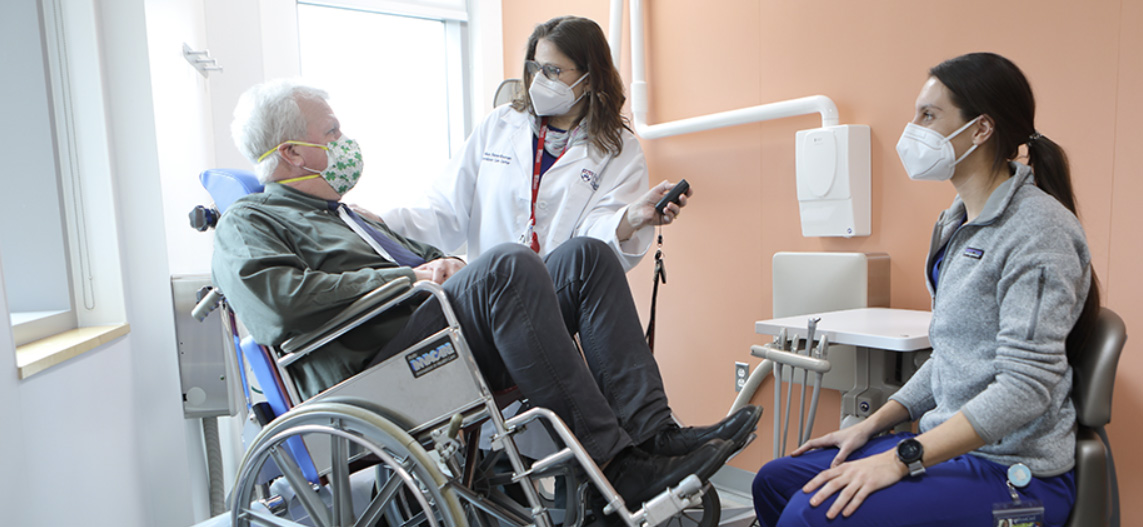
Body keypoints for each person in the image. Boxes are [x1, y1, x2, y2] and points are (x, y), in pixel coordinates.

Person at [213, 79, 761, 507]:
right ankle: (615, 468)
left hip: (430, 336)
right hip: (372, 374)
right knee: (506, 265)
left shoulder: (350, 216)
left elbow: (423, 258)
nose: (343, 143)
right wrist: (404, 279)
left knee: (587, 258)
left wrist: (438, 266)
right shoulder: (249, 221)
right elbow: (276, 305)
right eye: (331, 135)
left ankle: (653, 435)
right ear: (292, 152)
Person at [751, 52, 1101, 527]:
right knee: (776, 481)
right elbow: (949, 354)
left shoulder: (1039, 232)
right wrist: (872, 427)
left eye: (929, 116)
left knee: (811, 514)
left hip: (1015, 474)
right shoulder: (955, 221)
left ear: (981, 129)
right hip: (951, 450)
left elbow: (1024, 388)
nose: (913, 129)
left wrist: (898, 458)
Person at [376, 15, 690, 272]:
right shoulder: (500, 124)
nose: (539, 81)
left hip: (557, 299)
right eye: (535, 68)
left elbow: (591, 250)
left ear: (591, 78)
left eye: (553, 71)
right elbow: (444, 209)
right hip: (489, 290)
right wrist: (377, 224)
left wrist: (632, 217)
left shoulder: (618, 150)